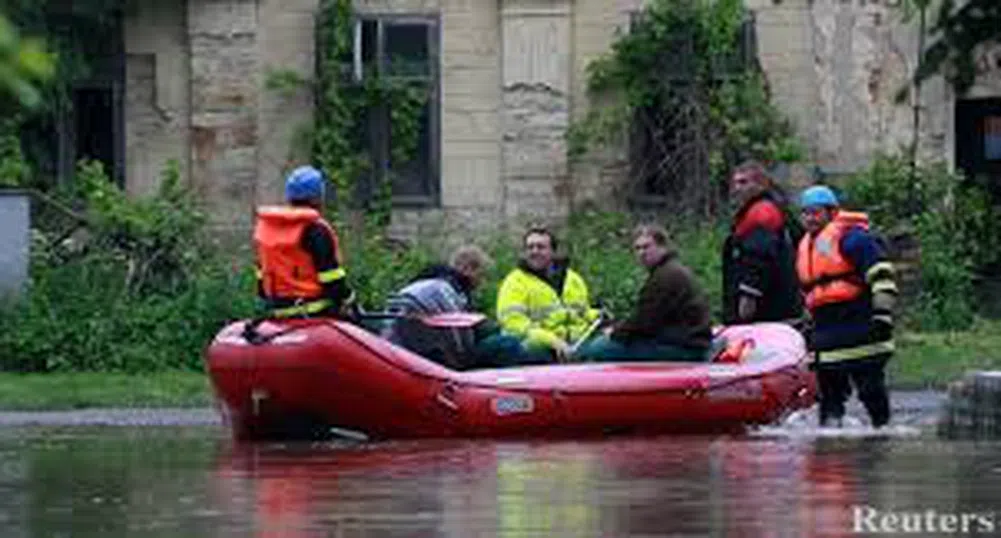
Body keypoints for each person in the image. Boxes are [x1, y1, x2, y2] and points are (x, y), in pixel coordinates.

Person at [796, 185, 898, 428]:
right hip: (827, 337)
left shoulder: (853, 239)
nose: (810, 218)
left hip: (861, 330)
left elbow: (881, 276)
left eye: (815, 212)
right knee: (829, 399)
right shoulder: (806, 246)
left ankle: (881, 433)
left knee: (870, 390)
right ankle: (831, 447)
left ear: (832, 213)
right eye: (805, 213)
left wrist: (883, 315)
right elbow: (810, 294)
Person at [576, 224, 713, 362]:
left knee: (597, 348)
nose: (642, 253)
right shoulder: (671, 270)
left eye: (647, 247)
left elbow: (644, 321)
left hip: (683, 347)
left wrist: (615, 332)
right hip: (684, 341)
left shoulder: (666, 276)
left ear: (663, 247)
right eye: (637, 249)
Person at [252, 165, 354, 319]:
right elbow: (331, 277)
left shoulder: (268, 228)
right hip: (314, 311)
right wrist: (349, 299)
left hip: (277, 311)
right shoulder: (315, 229)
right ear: (318, 197)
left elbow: (261, 276)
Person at [495, 225, 601, 363]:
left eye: (540, 247)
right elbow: (514, 324)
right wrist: (551, 341)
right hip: (538, 349)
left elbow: (581, 313)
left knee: (605, 349)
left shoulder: (573, 278)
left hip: (578, 345)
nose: (534, 251)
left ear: (553, 252)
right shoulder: (515, 281)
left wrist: (598, 316)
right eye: (530, 247)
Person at [382, 244, 497, 370]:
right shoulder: (447, 290)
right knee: (505, 345)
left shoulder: (422, 283)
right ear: (467, 268)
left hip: (394, 347)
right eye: (481, 275)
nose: (482, 282)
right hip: (423, 357)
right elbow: (460, 339)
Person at [722, 160, 802, 325]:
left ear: (761, 184)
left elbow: (759, 258)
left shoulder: (762, 213)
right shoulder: (761, 211)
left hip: (767, 311)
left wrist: (748, 296)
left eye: (744, 182)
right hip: (777, 308)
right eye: (735, 183)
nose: (737, 188)